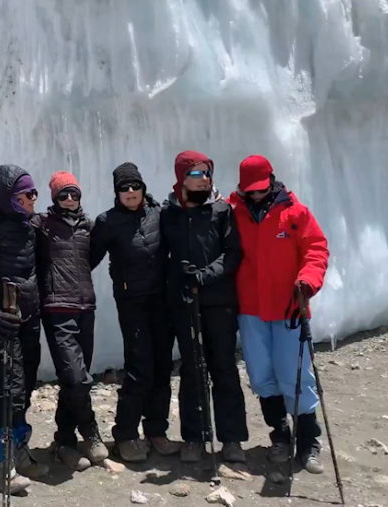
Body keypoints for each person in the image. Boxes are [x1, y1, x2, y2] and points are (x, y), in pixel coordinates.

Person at [227, 155, 329, 474]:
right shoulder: (232, 213)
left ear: (272, 180)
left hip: (289, 308)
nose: (256, 195)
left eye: (261, 189)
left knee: (295, 375)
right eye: (250, 191)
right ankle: (280, 436)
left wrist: (308, 281)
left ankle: (309, 441)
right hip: (251, 308)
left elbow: (316, 249)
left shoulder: (295, 213)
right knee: (260, 376)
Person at [160, 151, 248, 464]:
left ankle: (232, 438)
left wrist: (203, 276)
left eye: (207, 173)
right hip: (185, 303)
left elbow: (232, 253)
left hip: (219, 301)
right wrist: (178, 283)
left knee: (223, 367)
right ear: (182, 177)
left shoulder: (221, 209)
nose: (204, 179)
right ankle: (194, 437)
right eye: (196, 174)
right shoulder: (168, 213)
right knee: (192, 369)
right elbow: (161, 256)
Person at [0, 164, 49, 493]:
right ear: (10, 197)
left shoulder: (31, 226)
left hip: (28, 320)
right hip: (0, 324)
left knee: (25, 387)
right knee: (8, 391)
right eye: (27, 194)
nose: (33, 199)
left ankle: (17, 450)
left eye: (34, 193)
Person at [90, 162, 175, 463]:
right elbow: (87, 259)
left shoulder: (159, 214)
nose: (130, 192)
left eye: (135, 186)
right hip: (132, 302)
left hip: (162, 300)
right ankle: (125, 434)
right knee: (139, 368)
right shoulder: (107, 222)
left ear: (143, 188)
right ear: (116, 192)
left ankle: (156, 431)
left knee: (163, 366)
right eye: (124, 188)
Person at [32, 171, 109, 471]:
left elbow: (93, 258)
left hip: (85, 307)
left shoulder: (88, 227)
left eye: (73, 193)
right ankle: (90, 431)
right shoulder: (42, 225)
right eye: (63, 194)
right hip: (56, 309)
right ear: (54, 198)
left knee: (75, 378)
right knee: (77, 378)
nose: (69, 199)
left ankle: (64, 441)